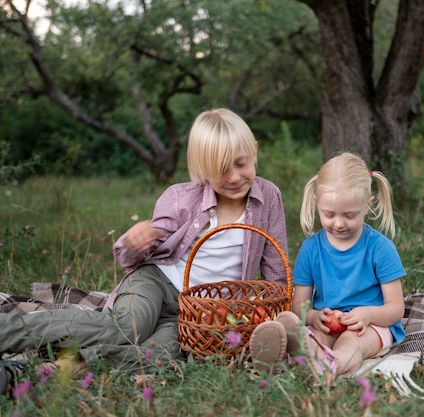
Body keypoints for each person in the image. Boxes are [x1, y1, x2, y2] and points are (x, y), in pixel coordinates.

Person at [0, 108, 288, 397]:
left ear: (254, 151)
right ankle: (7, 331)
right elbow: (128, 258)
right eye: (222, 169)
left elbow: (276, 271)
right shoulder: (180, 198)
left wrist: (273, 313)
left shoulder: (269, 198)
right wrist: (136, 242)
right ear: (203, 170)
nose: (235, 176)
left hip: (198, 315)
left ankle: (39, 374)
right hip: (157, 282)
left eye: (241, 163)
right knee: (128, 326)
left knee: (159, 354)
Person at [249, 152, 405, 381]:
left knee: (352, 343)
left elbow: (396, 308)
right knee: (315, 337)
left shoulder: (380, 248)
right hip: (327, 322)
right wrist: (313, 317)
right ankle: (298, 353)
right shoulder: (311, 249)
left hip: (371, 326)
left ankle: (328, 368)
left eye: (350, 215)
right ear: (317, 204)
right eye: (329, 214)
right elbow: (299, 304)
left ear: (367, 205)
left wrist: (368, 314)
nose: (339, 223)